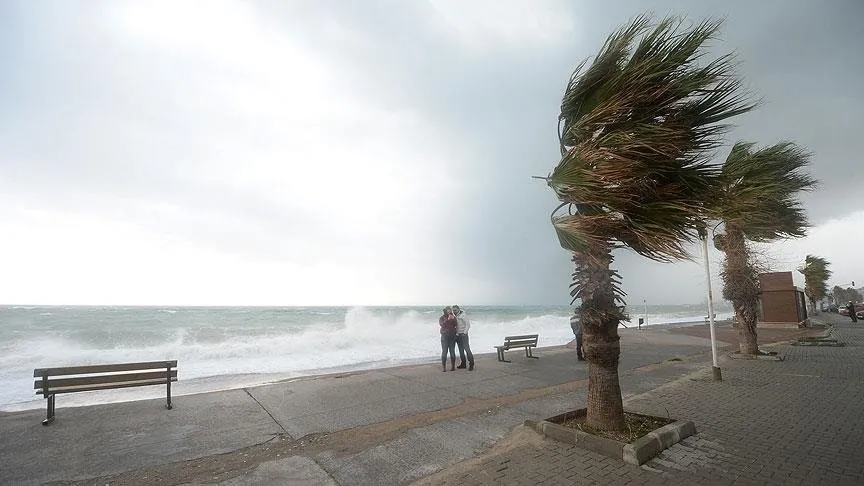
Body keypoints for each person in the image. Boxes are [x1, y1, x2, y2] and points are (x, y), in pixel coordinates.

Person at [452, 305, 474, 371]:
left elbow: (468, 325)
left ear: (458, 309)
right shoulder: (456, 316)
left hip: (463, 335)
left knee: (467, 350)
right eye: (453, 310)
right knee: (461, 351)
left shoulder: (463, 315)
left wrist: (464, 333)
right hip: (458, 335)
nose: (454, 311)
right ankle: (463, 364)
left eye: (455, 310)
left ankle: (471, 364)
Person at [439, 307, 458, 371]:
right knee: (445, 352)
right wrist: (448, 319)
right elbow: (441, 324)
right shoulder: (442, 318)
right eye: (448, 310)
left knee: (452, 351)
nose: (450, 311)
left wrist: (453, 319)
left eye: (450, 310)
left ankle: (453, 367)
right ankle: (444, 368)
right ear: (445, 311)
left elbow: (456, 325)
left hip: (451, 336)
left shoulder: (453, 317)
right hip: (445, 336)